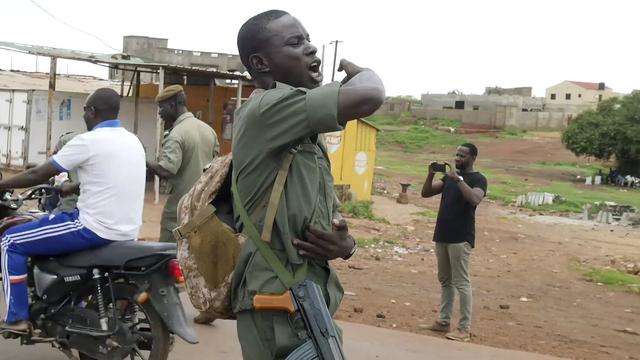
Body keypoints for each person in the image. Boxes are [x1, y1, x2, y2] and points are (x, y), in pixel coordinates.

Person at [232, 10, 385, 359]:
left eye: (309, 39)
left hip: (303, 301)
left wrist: (346, 246)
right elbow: (369, 95)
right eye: (295, 43)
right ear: (261, 62)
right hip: (277, 302)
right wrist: (365, 74)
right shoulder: (268, 110)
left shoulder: (301, 131)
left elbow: (314, 217)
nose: (312, 49)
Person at [0, 88, 146, 333]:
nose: (84, 117)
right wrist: (75, 187)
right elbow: (112, 176)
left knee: (11, 241)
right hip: (126, 230)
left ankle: (16, 318)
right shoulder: (133, 140)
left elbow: (39, 173)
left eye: (84, 112)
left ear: (92, 111)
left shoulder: (88, 141)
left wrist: (3, 184)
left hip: (92, 227)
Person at [145, 85, 219, 324]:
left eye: (161, 108)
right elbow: (216, 166)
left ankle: (164, 308)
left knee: (166, 255)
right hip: (205, 205)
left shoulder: (176, 134)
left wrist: (144, 162)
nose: (159, 114)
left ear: (172, 105)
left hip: (180, 206)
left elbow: (167, 169)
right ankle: (209, 307)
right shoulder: (207, 130)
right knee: (202, 256)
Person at [421, 143, 488, 342]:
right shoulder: (449, 178)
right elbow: (426, 193)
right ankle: (443, 322)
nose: (457, 158)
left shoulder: (478, 179)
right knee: (445, 281)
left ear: (473, 157)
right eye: (457, 155)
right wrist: (431, 174)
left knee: (461, 282)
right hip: (442, 234)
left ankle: (464, 329)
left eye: (462, 156)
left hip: (461, 237)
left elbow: (475, 199)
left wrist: (458, 180)